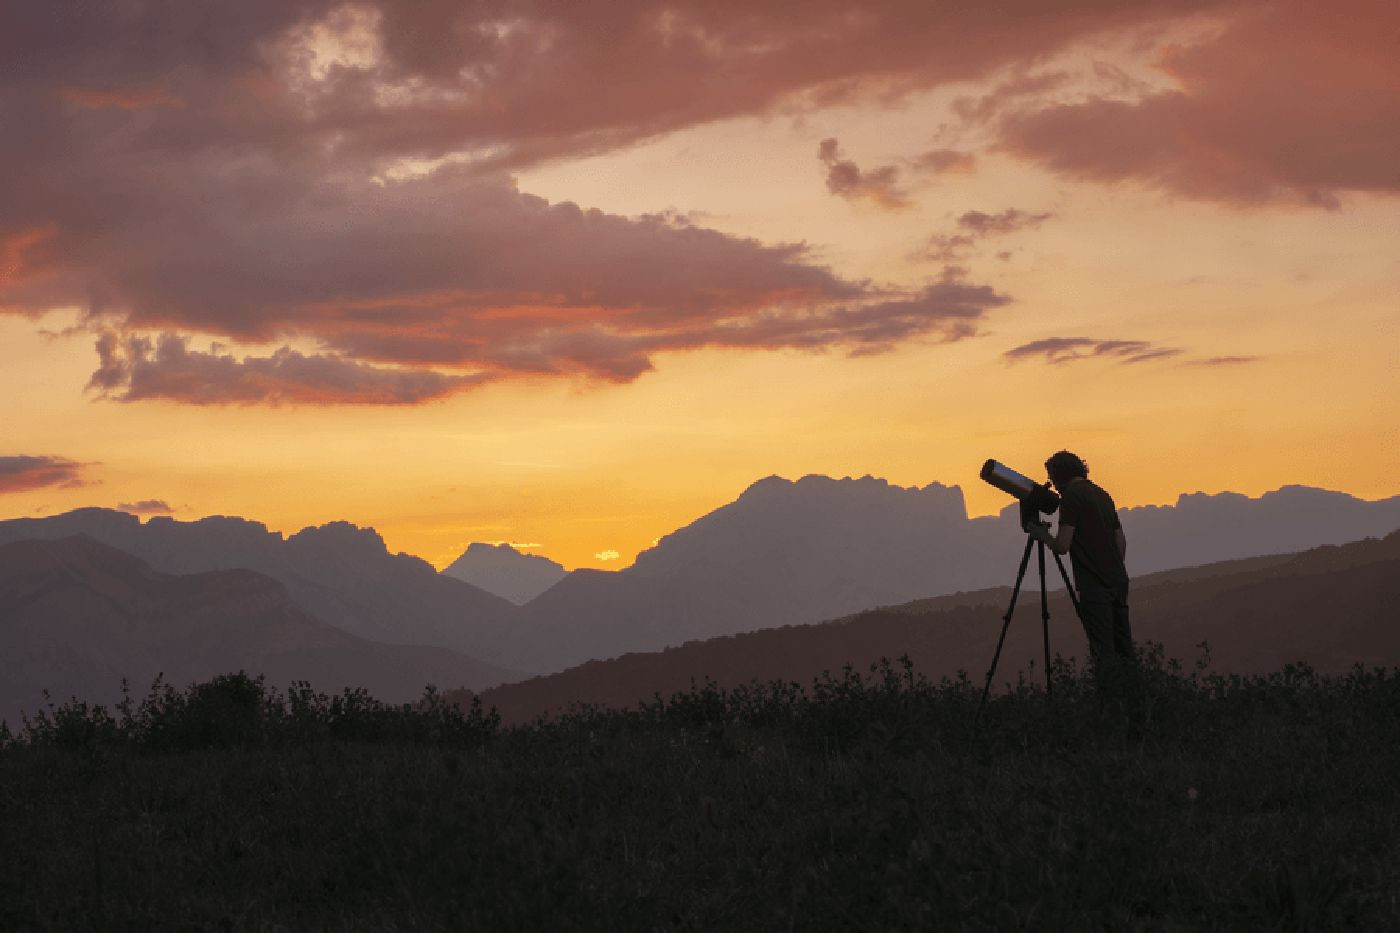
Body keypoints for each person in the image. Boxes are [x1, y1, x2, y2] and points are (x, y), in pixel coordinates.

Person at [1026, 450, 1135, 679]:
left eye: (1052, 478)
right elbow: (1121, 541)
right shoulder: (1102, 494)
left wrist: (1042, 535)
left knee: (1103, 652)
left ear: (1059, 475)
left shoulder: (1072, 497)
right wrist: (1111, 569)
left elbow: (1062, 545)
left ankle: (1109, 703)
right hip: (1117, 580)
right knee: (1124, 649)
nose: (1053, 485)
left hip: (1094, 587)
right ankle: (1134, 701)